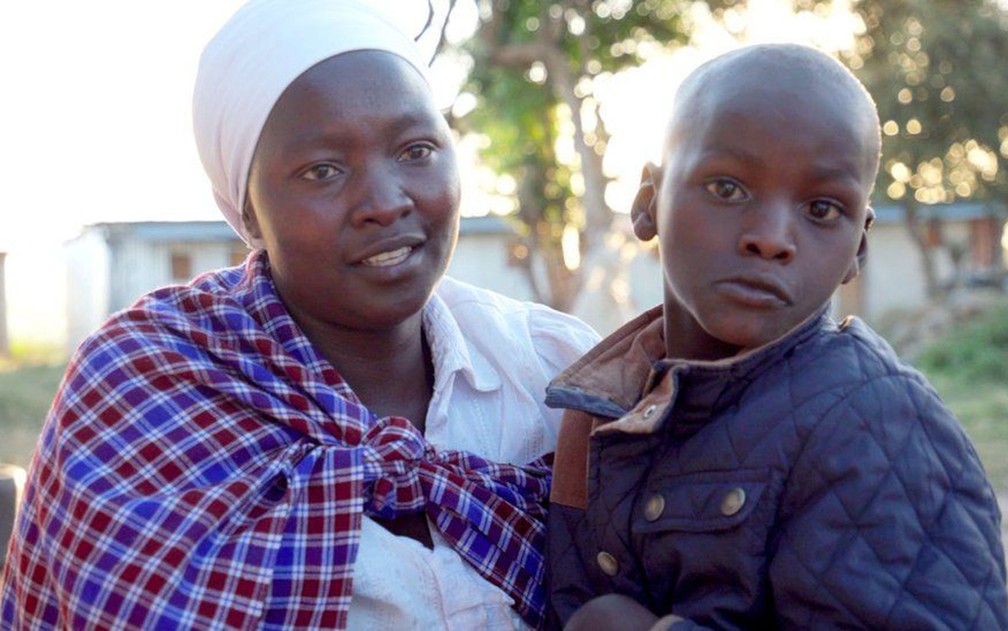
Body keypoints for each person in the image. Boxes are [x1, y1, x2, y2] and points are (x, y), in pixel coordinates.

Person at [0, 1, 599, 629]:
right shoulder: (140, 390)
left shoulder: (553, 371)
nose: (385, 202)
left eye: (417, 149)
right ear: (248, 211)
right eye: (323, 170)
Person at [545, 43, 1008, 630]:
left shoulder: (876, 423)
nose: (770, 237)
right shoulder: (596, 415)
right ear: (647, 203)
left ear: (857, 246)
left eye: (820, 208)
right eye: (726, 188)